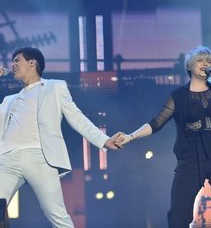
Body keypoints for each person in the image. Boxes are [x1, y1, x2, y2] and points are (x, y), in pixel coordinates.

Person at [116, 46, 211, 228]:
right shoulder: (178, 96)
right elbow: (157, 122)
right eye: (200, 60)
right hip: (191, 157)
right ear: (190, 66)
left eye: (209, 61)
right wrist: (131, 136)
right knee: (178, 212)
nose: (205, 64)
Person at [0, 47, 121, 228]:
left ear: (32, 63)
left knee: (57, 216)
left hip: (40, 157)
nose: (12, 65)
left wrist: (103, 139)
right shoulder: (9, 99)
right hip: (6, 159)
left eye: (17, 60)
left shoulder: (54, 87)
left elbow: (76, 117)